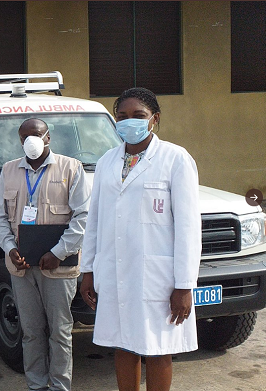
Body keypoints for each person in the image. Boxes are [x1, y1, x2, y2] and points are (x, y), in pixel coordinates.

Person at [79, 87, 201, 391]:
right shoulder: (107, 161)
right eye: (122, 116)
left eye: (138, 115)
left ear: (154, 119)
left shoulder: (175, 159)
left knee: (159, 349)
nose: (128, 122)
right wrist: (88, 270)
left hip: (157, 277)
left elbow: (188, 227)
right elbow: (95, 220)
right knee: (123, 345)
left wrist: (185, 286)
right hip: (115, 270)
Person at [0, 118, 90, 391]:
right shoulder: (9, 170)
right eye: (24, 137)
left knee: (60, 331)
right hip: (21, 267)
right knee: (31, 331)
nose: (29, 141)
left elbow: (83, 217)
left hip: (58, 267)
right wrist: (10, 249)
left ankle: (59, 386)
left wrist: (58, 253)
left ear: (48, 137)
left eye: (35, 135)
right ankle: (36, 385)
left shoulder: (71, 168)